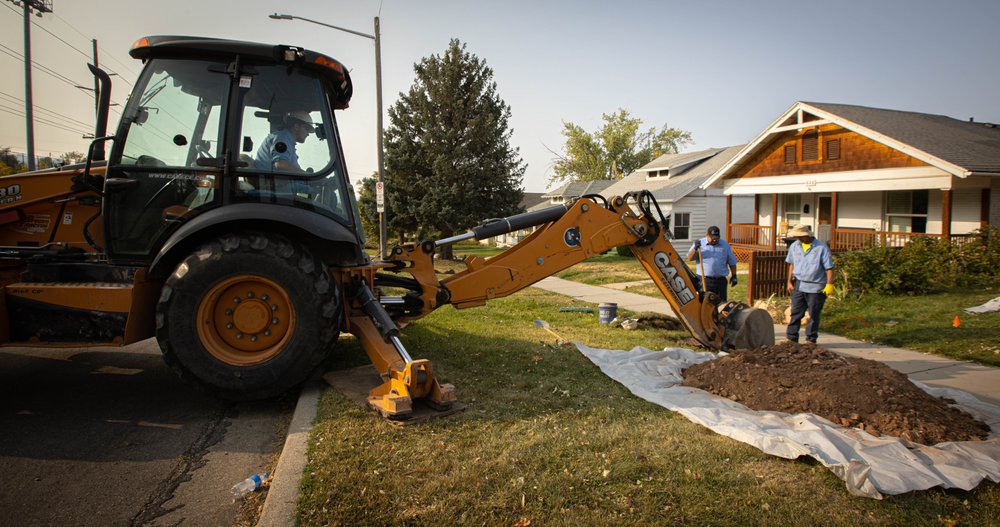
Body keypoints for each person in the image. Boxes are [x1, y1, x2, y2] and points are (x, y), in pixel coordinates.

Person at [784, 224, 835, 344]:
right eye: (797, 236)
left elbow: (829, 268)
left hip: (816, 285)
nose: (798, 238)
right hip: (800, 284)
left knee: (813, 314)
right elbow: (792, 264)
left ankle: (811, 340)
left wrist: (829, 284)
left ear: (807, 235)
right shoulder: (795, 246)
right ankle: (791, 338)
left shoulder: (821, 247)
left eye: (800, 236)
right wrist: (789, 282)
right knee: (796, 312)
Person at [687, 226, 738, 303]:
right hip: (704, 280)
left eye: (716, 238)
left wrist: (734, 276)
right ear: (707, 235)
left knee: (721, 304)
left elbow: (732, 262)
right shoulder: (700, 244)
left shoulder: (725, 245)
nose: (714, 240)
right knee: (705, 304)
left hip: (720, 281)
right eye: (712, 238)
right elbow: (690, 258)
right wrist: (695, 248)